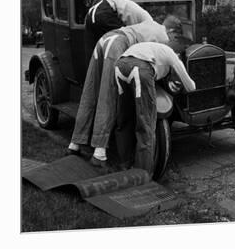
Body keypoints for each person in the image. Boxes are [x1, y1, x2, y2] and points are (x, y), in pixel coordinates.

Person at [68, 16, 183, 166]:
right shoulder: (162, 35)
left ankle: (74, 144)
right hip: (117, 44)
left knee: (90, 91)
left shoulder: (149, 24)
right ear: (172, 30)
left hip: (105, 40)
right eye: (175, 36)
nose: (173, 39)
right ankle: (99, 153)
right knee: (108, 95)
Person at [114, 42, 196, 177]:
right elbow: (190, 86)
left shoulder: (153, 47)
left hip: (119, 66)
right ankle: (142, 173)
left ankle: (124, 164)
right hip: (139, 69)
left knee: (124, 118)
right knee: (146, 124)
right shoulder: (172, 55)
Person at [84, 0, 153, 64]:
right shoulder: (149, 24)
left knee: (93, 53)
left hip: (92, 12)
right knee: (119, 44)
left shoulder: (144, 20)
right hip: (105, 10)